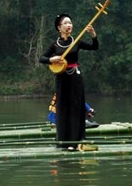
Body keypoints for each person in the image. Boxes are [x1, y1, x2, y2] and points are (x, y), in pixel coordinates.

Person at [39, 13, 99, 148]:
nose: (69, 25)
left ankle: (77, 138)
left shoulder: (76, 41)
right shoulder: (55, 44)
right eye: (66, 23)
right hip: (61, 79)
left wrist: (93, 35)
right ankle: (63, 140)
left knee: (76, 106)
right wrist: (51, 60)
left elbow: (94, 47)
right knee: (63, 107)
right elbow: (42, 58)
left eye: (70, 23)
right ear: (59, 27)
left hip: (75, 78)